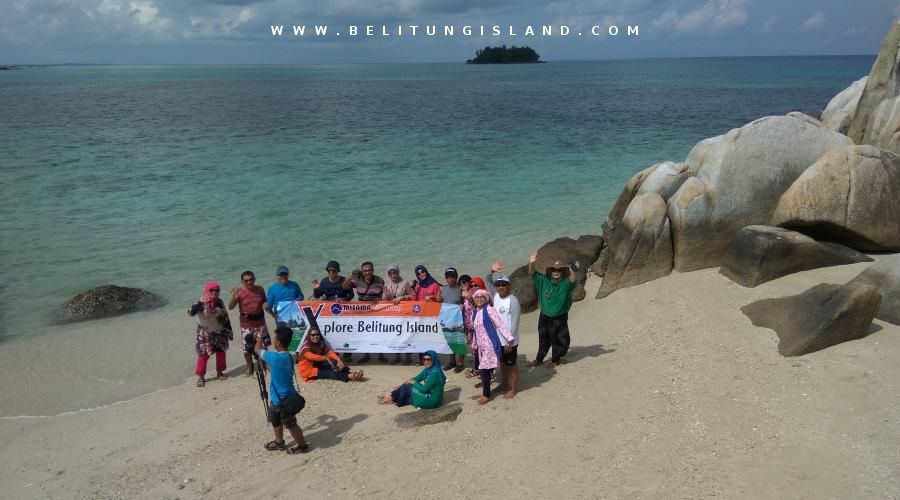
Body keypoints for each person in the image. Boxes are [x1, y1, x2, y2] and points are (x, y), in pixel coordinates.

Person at [257, 326, 310, 454]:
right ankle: (279, 441)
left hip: (282, 400)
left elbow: (257, 349)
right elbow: (274, 370)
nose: (273, 341)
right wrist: (265, 364)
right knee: (275, 418)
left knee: (290, 423)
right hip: (284, 396)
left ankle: (302, 445)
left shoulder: (275, 357)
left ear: (279, 343)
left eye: (274, 339)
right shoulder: (288, 357)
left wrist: (259, 337)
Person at [527, 251, 579, 368]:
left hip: (559, 317)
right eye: (554, 270)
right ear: (550, 271)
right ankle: (539, 359)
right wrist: (531, 262)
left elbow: (573, 280)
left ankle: (555, 360)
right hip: (544, 316)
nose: (556, 272)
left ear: (562, 272)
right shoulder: (543, 280)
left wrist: (573, 269)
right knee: (543, 339)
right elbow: (532, 273)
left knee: (557, 340)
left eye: (559, 270)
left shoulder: (566, 283)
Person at [469, 289, 515, 405]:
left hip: (490, 346)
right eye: (477, 297)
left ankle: (486, 395)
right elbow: (476, 331)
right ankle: (486, 391)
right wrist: (474, 344)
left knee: (484, 370)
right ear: (474, 299)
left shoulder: (490, 310)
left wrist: (509, 339)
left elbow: (500, 325)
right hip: (481, 348)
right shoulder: (475, 312)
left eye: (482, 297)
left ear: (486, 299)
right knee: (484, 370)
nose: (479, 299)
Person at [486, 261, 521, 398]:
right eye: (499, 285)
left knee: (512, 364)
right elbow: (488, 281)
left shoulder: (513, 301)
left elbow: (515, 322)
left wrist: (509, 341)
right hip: (498, 339)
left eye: (503, 285)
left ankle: (513, 388)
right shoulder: (495, 295)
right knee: (502, 363)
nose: (500, 287)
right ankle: (504, 383)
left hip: (509, 341)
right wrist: (491, 270)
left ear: (509, 286)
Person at [188, 281, 233, 387]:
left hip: (220, 332)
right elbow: (190, 313)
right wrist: (199, 303)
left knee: (221, 352)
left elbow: (225, 317)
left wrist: (229, 331)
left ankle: (220, 372)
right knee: (203, 355)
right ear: (206, 290)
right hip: (205, 334)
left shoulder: (220, 302)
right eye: (211, 290)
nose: (214, 292)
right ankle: (201, 377)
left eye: (217, 290)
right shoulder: (199, 303)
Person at [342, 261, 387, 363]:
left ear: (373, 270)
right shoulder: (357, 280)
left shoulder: (380, 280)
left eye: (369, 270)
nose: (367, 272)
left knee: (379, 332)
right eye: (365, 271)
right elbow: (344, 287)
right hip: (362, 311)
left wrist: (378, 298)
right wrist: (348, 278)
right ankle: (366, 355)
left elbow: (383, 294)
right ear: (362, 272)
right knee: (364, 333)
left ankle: (381, 355)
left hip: (376, 310)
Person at [228, 270, 270, 377]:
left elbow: (264, 301)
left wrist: (267, 305)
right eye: (246, 280)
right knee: (247, 348)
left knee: (264, 345)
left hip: (260, 322)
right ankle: (250, 366)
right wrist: (234, 296)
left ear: (254, 279)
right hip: (246, 324)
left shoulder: (260, 289)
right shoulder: (240, 292)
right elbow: (231, 307)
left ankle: (265, 363)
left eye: (251, 279)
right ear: (242, 281)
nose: (249, 282)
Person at [377, 350, 446, 409]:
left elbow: (423, 389)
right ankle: (391, 396)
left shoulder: (435, 373)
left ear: (434, 359)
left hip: (432, 401)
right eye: (424, 359)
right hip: (433, 396)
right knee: (408, 385)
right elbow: (416, 378)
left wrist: (413, 383)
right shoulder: (428, 369)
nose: (426, 362)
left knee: (410, 387)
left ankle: (391, 398)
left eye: (429, 359)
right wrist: (402, 385)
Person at [296, 326, 364, 382]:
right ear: (309, 335)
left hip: (315, 364)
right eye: (313, 335)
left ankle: (351, 371)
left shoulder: (319, 343)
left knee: (334, 361)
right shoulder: (305, 346)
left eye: (317, 334)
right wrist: (325, 358)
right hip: (307, 370)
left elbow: (329, 352)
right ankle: (350, 376)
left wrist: (338, 359)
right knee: (329, 372)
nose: (315, 336)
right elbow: (310, 356)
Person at [382, 264, 415, 365]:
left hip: (405, 314)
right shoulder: (387, 284)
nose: (393, 275)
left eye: (394, 272)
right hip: (393, 314)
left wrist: (402, 298)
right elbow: (383, 300)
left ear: (398, 272)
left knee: (406, 334)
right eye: (390, 273)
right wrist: (386, 295)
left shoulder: (405, 283)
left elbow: (413, 296)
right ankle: (397, 356)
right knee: (395, 334)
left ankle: (408, 357)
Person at [439, 267, 466, 372]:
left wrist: (462, 305)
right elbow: (440, 302)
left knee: (459, 340)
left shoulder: (461, 289)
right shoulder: (443, 289)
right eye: (448, 277)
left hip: (459, 319)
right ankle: (452, 361)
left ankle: (460, 363)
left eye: (452, 277)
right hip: (446, 319)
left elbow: (466, 303)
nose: (450, 279)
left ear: (456, 277)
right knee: (449, 340)